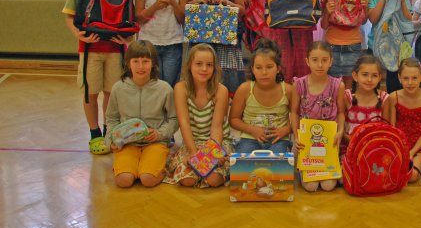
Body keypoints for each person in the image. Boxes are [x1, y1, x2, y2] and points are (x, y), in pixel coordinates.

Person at [62, 0, 132, 155]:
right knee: (90, 93)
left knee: (112, 92)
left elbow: (129, 18)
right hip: (90, 49)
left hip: (115, 49)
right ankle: (95, 134)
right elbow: (69, 15)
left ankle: (109, 130)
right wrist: (79, 35)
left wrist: (127, 40)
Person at [105, 40, 178, 188]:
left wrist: (159, 134)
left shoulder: (164, 89)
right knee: (124, 180)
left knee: (147, 179)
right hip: (127, 143)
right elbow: (111, 118)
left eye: (145, 61)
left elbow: (174, 119)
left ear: (153, 63)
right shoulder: (118, 88)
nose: (140, 66)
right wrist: (111, 139)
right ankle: (137, 166)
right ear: (128, 63)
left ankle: (161, 166)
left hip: (155, 142)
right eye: (136, 61)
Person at [164, 44, 231, 188]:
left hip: (215, 141)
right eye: (199, 64)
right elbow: (184, 123)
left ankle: (210, 173)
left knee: (214, 180)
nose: (204, 69)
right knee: (188, 181)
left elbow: (217, 127)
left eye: (209, 65)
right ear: (189, 66)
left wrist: (212, 153)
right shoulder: (180, 88)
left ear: (215, 68)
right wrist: (194, 153)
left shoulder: (221, 90)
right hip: (192, 142)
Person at [291, 41, 346, 192]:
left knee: (328, 186)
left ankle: (330, 168)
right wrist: (296, 136)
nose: (320, 65)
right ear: (307, 61)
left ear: (331, 61)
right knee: (311, 186)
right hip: (305, 143)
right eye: (315, 60)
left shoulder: (337, 85)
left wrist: (340, 131)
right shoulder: (299, 84)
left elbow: (341, 112)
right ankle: (302, 167)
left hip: (328, 142)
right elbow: (294, 112)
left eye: (324, 60)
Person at [133, 0, 190, 87]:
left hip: (173, 43)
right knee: (151, 83)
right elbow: (138, 18)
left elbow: (183, 19)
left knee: (169, 84)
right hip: (148, 43)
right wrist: (155, 7)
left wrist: (173, 3)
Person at [229, 39, 297, 154]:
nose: (264, 72)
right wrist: (252, 130)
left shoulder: (288, 90)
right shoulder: (245, 89)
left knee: (279, 162)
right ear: (252, 69)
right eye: (258, 67)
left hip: (279, 140)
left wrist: (286, 130)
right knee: (244, 162)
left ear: (278, 68)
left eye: (269, 67)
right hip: (249, 138)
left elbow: (299, 117)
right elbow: (233, 120)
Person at [321, 0, 370, 86]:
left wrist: (365, 7)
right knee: (332, 83)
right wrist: (327, 11)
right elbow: (324, 25)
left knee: (349, 83)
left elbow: (364, 21)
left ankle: (347, 100)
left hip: (353, 44)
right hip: (332, 43)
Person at [385, 58, 421, 183]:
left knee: (412, 175)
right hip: (398, 143)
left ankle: (419, 159)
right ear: (399, 78)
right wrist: (398, 148)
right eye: (406, 78)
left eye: (414, 78)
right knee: (388, 171)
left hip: (418, 147)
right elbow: (392, 128)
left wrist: (411, 152)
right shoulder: (393, 97)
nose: (410, 82)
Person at [367, 0, 412, 92]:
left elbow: (409, 19)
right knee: (372, 79)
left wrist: (403, 1)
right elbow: (373, 19)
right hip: (375, 43)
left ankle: (394, 103)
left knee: (395, 83)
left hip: (397, 45)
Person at [342, 54, 389, 156]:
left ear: (380, 77)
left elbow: (386, 128)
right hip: (349, 149)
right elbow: (340, 126)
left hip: (375, 149)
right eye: (365, 74)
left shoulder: (384, 99)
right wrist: (351, 140)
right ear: (355, 76)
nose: (369, 79)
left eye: (374, 75)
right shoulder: (347, 97)